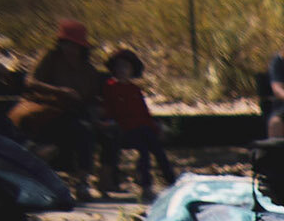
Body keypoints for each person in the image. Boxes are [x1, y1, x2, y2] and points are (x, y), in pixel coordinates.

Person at [10, 18, 104, 192]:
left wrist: (96, 115)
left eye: (74, 45)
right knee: (57, 134)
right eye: (66, 44)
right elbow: (30, 81)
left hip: (72, 114)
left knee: (84, 130)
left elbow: (92, 99)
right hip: (44, 110)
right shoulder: (50, 57)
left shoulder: (88, 70)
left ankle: (82, 182)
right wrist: (59, 91)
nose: (69, 49)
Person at [98, 48, 174, 201]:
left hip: (141, 129)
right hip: (122, 130)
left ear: (132, 70)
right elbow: (109, 111)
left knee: (157, 149)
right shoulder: (110, 87)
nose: (122, 70)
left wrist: (156, 127)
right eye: (118, 66)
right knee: (144, 149)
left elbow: (144, 113)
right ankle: (146, 186)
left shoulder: (134, 89)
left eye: (125, 67)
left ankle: (172, 182)